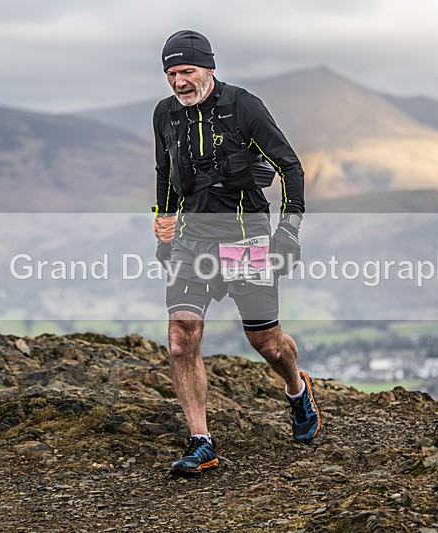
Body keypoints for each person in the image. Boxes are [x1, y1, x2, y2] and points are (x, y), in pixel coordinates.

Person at [151, 30, 321, 477]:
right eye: (171, 73)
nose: (178, 82)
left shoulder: (243, 106)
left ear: (209, 67)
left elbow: (290, 166)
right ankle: (201, 441)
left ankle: (296, 388)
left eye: (186, 71)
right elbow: (165, 175)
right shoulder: (165, 115)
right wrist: (165, 232)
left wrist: (289, 229)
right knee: (180, 337)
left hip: (247, 240)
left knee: (265, 342)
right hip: (191, 241)